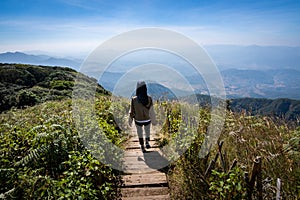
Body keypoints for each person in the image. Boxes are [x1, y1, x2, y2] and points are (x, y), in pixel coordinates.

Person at [129, 81, 156, 153]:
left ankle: (142, 146)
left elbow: (132, 111)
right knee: (147, 131)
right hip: (147, 119)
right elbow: (152, 111)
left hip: (138, 120)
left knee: (139, 132)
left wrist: (130, 121)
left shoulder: (134, 99)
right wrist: (154, 120)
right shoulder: (149, 98)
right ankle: (147, 142)